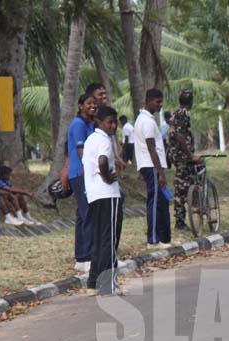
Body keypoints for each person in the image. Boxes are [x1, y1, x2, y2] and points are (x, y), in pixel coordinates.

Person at [83, 106, 125, 296]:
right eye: (110, 122)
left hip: (93, 195)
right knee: (110, 240)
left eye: (115, 122)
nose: (113, 126)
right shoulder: (104, 141)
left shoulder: (90, 139)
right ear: (99, 122)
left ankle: (93, 282)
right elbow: (101, 162)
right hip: (108, 195)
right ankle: (109, 284)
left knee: (100, 239)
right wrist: (107, 177)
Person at [135, 88, 172, 249]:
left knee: (162, 202)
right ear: (149, 101)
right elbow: (152, 148)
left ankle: (164, 238)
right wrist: (161, 172)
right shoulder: (147, 122)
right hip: (152, 166)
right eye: (157, 102)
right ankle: (153, 239)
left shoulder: (146, 119)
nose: (160, 105)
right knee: (155, 202)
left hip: (152, 166)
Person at [64, 92, 97, 272]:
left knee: (82, 214)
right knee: (88, 214)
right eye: (89, 103)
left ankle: (81, 257)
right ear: (80, 106)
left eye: (94, 104)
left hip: (86, 173)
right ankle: (88, 257)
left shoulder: (90, 124)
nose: (92, 106)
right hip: (80, 173)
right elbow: (81, 151)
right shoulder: (78, 125)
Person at [168, 89, 204, 232]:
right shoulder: (182, 114)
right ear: (191, 102)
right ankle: (180, 221)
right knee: (181, 189)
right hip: (183, 157)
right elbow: (179, 137)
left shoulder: (178, 113)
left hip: (180, 156)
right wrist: (190, 156)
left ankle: (194, 208)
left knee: (188, 183)